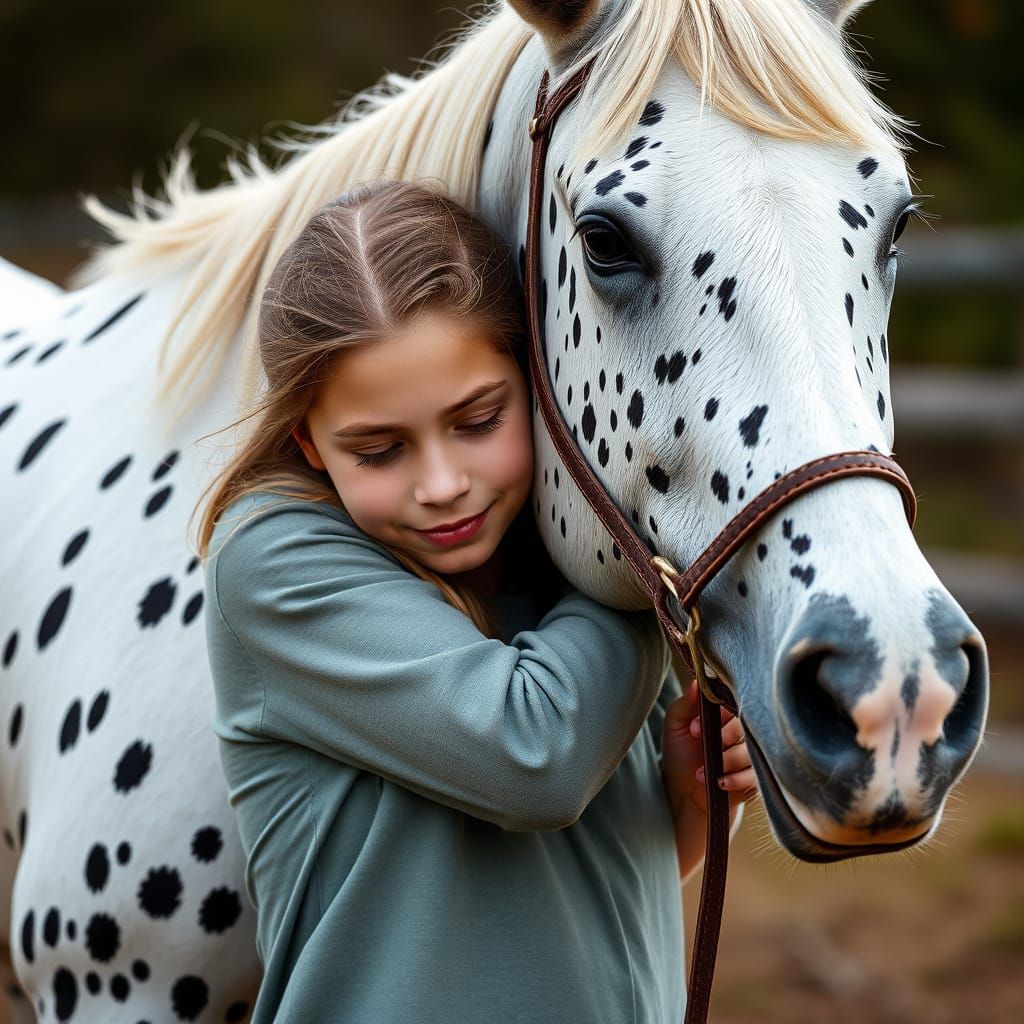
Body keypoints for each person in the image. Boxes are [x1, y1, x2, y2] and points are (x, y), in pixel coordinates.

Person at [193, 179, 754, 1023]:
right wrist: (632, 537)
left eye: (478, 420)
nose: (444, 485)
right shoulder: (275, 558)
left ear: (534, 381)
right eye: (379, 449)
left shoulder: (558, 558)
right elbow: (537, 756)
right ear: (308, 439)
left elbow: (599, 884)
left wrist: (686, 801)